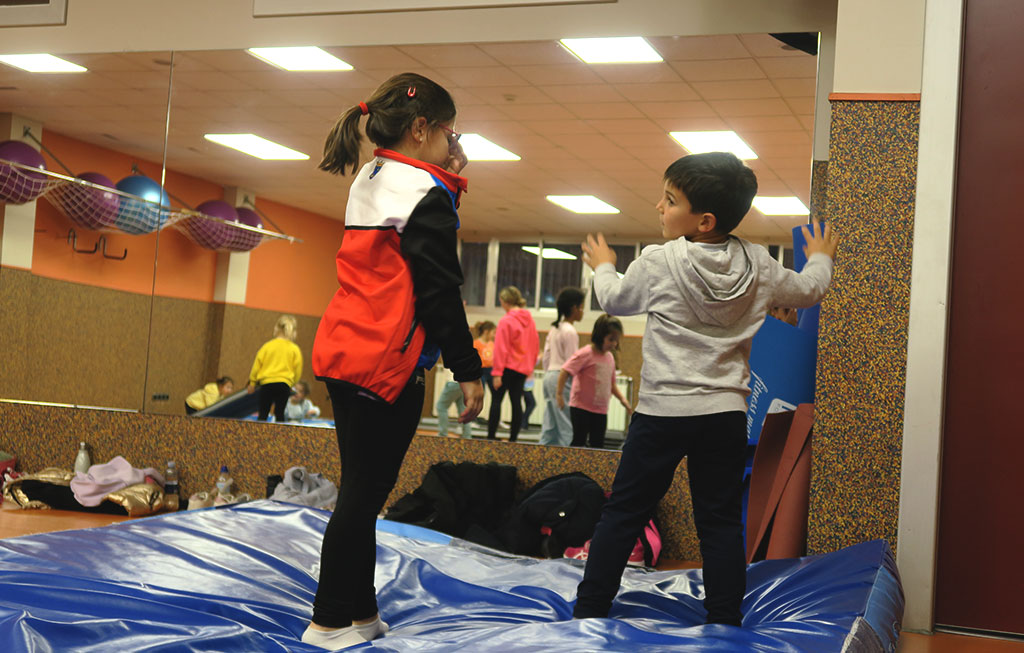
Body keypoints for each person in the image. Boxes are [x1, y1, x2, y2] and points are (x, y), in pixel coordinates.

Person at [572, 152, 838, 627]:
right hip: (723, 416)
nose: (658, 206)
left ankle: (590, 608)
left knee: (625, 512)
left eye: (669, 200)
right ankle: (723, 617)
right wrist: (820, 257)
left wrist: (605, 265)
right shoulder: (758, 263)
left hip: (661, 414)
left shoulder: (658, 261)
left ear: (704, 220)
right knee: (718, 522)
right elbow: (809, 290)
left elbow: (613, 298)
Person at [304, 72, 483, 650]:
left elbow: (420, 213)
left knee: (361, 491)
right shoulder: (424, 190)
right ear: (422, 127)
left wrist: (449, 175)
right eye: (448, 132)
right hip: (385, 363)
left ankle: (360, 612)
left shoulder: (373, 174)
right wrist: (468, 367)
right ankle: (328, 621)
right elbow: (438, 288)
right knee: (360, 501)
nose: (452, 142)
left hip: (342, 349)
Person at [556, 314, 631, 449]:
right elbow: (565, 371)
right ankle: (574, 468)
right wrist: (559, 394)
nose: (614, 344)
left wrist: (623, 400)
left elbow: (612, 384)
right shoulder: (585, 353)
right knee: (579, 441)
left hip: (600, 409)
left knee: (597, 445)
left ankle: (591, 470)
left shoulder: (610, 358)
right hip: (581, 407)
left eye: (616, 340)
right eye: (610, 340)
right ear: (600, 336)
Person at [487, 286, 539, 443]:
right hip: (522, 369)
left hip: (507, 367)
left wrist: (497, 373)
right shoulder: (530, 321)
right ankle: (513, 439)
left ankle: (491, 437)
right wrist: (529, 367)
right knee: (516, 402)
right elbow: (535, 345)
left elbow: (501, 348)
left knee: (496, 400)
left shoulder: (506, 320)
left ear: (504, 301)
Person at [539, 287, 585, 446]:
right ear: (574, 308)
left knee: (550, 425)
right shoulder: (570, 331)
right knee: (567, 426)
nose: (583, 311)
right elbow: (573, 362)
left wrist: (549, 375)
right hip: (561, 379)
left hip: (549, 376)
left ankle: (541, 460)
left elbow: (546, 356)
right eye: (581, 307)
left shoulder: (555, 328)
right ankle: (568, 464)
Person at [247, 315, 303, 422]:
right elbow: (297, 370)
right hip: (284, 384)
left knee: (263, 412)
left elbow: (257, 365)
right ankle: (280, 437)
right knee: (279, 413)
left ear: (276, 329)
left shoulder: (267, 346)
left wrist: (252, 383)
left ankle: (258, 436)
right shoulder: (294, 349)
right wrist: (292, 383)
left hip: (267, 383)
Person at [434, 359, 473, 439]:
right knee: (463, 409)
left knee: (441, 406)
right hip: (464, 383)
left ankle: (442, 434)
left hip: (453, 382)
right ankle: (467, 435)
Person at [472, 321, 496, 397]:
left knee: (496, 393)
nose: (494, 335)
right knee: (481, 394)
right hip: (480, 371)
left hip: (491, 370)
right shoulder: (476, 344)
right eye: (493, 332)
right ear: (486, 332)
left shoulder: (492, 344)